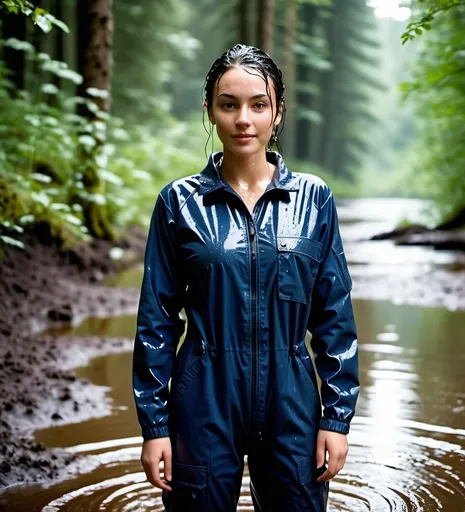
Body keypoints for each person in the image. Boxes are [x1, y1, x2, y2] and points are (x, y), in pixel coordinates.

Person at [132, 44, 359, 512]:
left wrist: (336, 419)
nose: (243, 119)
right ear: (210, 111)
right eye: (228, 104)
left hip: (292, 398)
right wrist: (155, 427)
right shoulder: (179, 203)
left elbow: (335, 318)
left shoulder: (313, 199)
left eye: (258, 104)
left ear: (278, 112)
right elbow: (156, 320)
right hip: (204, 398)